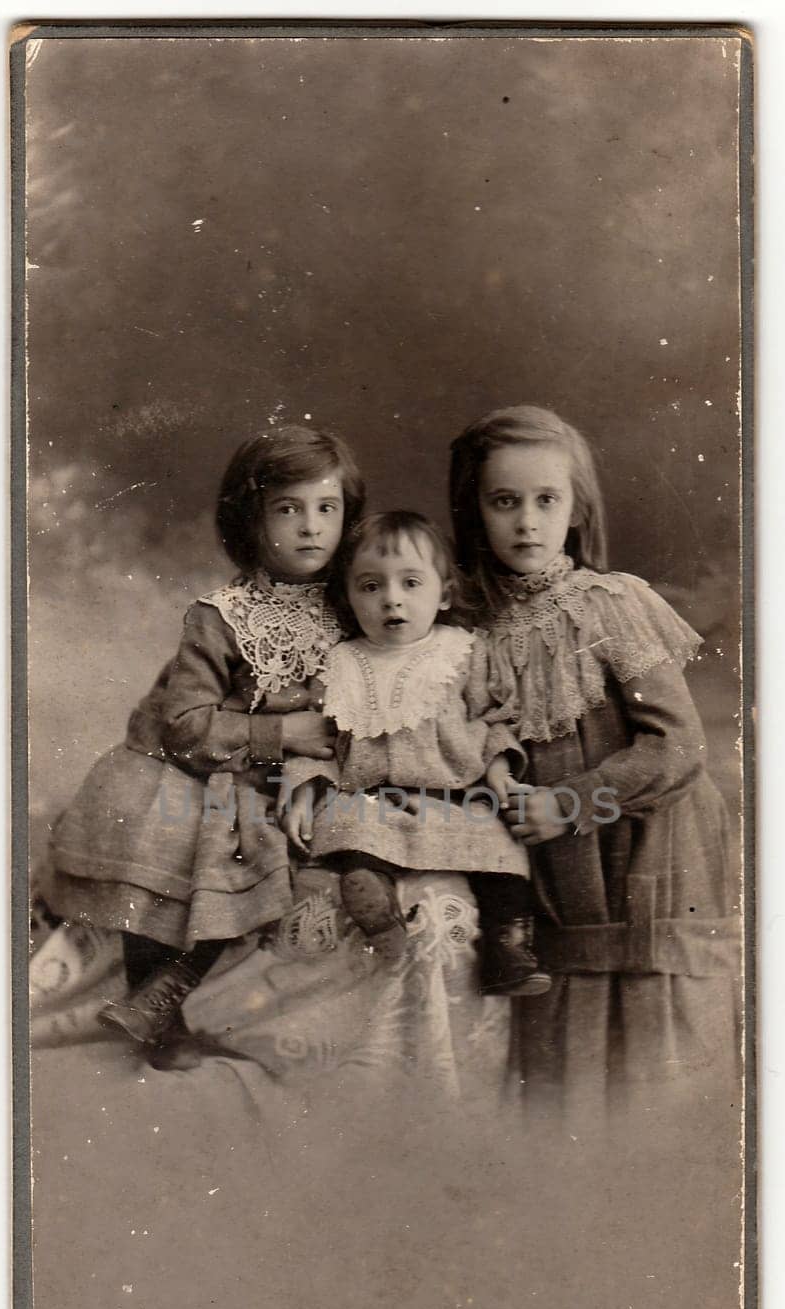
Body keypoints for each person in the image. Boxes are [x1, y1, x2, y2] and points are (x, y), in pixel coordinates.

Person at [38, 422, 365, 1053]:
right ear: (251, 519)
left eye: (328, 508)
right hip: (205, 770)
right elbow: (185, 727)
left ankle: (170, 995)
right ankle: (155, 1006)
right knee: (165, 837)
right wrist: (281, 733)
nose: (310, 526)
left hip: (308, 781)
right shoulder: (221, 617)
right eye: (288, 509)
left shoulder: (357, 601)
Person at [448, 402, 739, 1086]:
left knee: (653, 1067)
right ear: (474, 510)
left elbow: (676, 745)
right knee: (563, 1080)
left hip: (640, 861)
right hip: (554, 890)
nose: (526, 521)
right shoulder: (466, 627)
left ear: (576, 509)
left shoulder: (607, 606)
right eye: (503, 501)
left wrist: (568, 802)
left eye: (546, 500)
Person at [280, 509, 550, 995]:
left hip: (458, 793)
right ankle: (377, 908)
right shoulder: (341, 663)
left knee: (503, 851)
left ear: (444, 594)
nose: (392, 601)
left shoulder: (466, 652)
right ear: (348, 596)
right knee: (349, 832)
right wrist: (303, 790)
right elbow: (317, 740)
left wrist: (500, 767)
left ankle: (507, 947)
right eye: (371, 587)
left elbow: (494, 718)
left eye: (410, 583)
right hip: (373, 796)